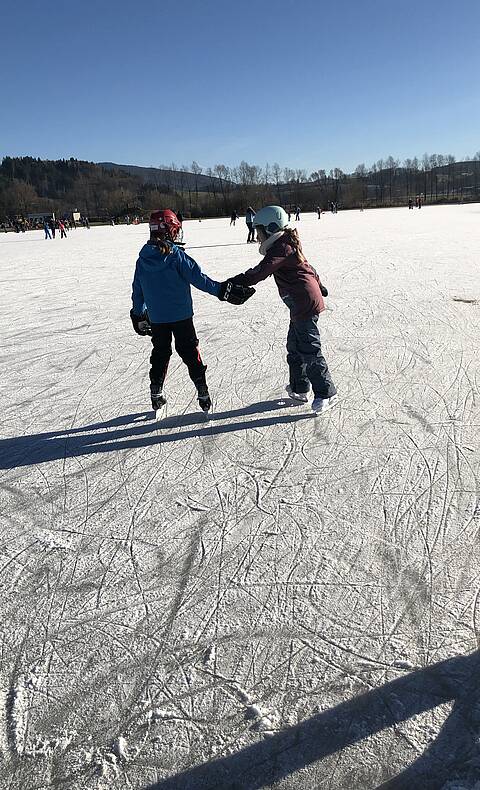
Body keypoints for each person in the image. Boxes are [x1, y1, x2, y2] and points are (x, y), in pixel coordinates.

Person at [130, 209, 255, 412]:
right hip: (181, 318)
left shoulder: (142, 260)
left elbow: (138, 290)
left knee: (160, 353)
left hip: (158, 319)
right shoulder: (176, 256)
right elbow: (200, 279)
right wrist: (222, 291)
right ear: (169, 230)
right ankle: (203, 392)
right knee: (190, 352)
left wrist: (138, 313)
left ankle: (156, 392)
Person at [230, 205, 337, 414]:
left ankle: (326, 393)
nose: (258, 236)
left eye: (259, 231)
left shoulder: (281, 248)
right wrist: (320, 286)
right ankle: (299, 388)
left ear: (271, 228)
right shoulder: (286, 244)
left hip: (304, 303)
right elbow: (309, 268)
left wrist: (234, 282)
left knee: (309, 349)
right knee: (294, 346)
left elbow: (260, 272)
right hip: (300, 303)